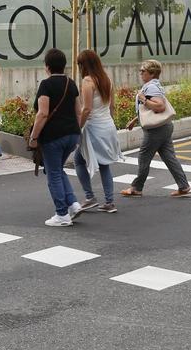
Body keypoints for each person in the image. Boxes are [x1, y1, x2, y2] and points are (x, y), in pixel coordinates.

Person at [28, 48, 85, 226]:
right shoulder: (71, 83)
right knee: (58, 170)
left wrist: (34, 137)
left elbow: (43, 114)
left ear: (47, 67)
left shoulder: (46, 85)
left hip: (53, 137)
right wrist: (76, 131)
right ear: (63, 65)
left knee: (52, 174)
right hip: (72, 134)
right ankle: (73, 204)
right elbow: (79, 111)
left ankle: (62, 215)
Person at [121, 59, 191, 198]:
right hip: (164, 127)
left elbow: (160, 107)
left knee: (143, 156)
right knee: (169, 157)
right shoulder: (154, 85)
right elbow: (150, 110)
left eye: (143, 71)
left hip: (155, 130)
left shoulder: (151, 87)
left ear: (152, 73)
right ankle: (183, 186)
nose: (140, 73)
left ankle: (136, 187)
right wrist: (135, 120)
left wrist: (143, 99)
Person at [73, 49, 122, 213]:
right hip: (107, 125)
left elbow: (86, 109)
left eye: (79, 64)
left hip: (93, 128)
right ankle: (109, 202)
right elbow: (112, 106)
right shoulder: (107, 79)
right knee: (104, 165)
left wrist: (78, 127)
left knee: (78, 160)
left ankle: (90, 197)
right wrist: (112, 123)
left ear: (84, 65)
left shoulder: (88, 81)